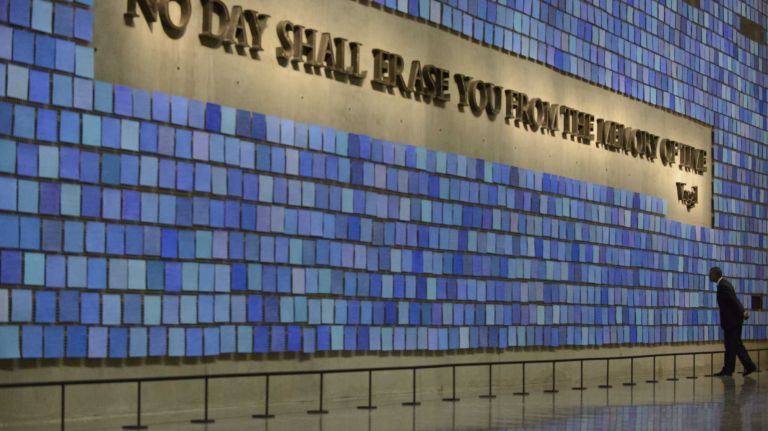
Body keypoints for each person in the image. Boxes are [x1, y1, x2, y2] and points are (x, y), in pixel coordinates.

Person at [709, 267, 756, 377]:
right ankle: (735, 368)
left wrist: (743, 312)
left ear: (716, 274)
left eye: (710, 274)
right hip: (733, 322)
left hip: (732, 322)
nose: (709, 276)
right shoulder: (725, 284)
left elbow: (733, 301)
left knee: (731, 346)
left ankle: (731, 369)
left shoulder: (723, 286)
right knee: (734, 346)